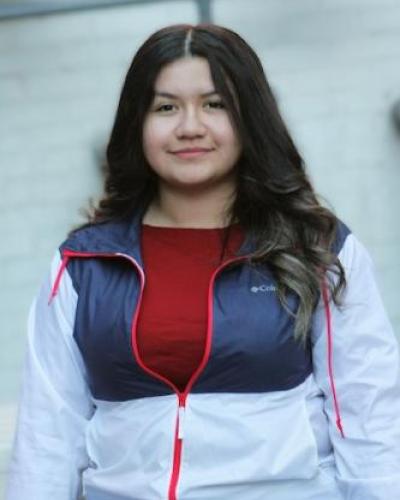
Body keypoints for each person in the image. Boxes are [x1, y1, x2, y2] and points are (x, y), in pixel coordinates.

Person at [5, 23, 400, 500]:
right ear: (138, 123)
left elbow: (369, 416)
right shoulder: (85, 263)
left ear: (249, 117)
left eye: (215, 105)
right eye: (166, 107)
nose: (190, 126)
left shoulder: (318, 249)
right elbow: (49, 435)